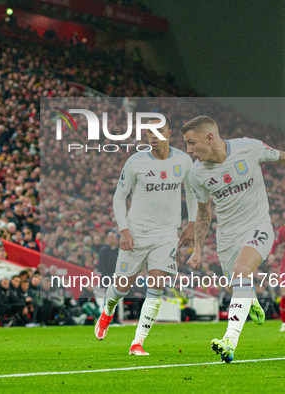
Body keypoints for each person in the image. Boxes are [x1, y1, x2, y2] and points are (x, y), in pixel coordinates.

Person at [182, 115, 285, 363]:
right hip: (226, 236)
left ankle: (229, 341)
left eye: (191, 143)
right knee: (235, 286)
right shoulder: (197, 174)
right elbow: (204, 212)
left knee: (241, 270)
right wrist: (198, 249)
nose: (189, 151)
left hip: (258, 226)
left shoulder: (249, 147)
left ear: (209, 137)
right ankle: (251, 298)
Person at [95, 116, 197, 356]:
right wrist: (124, 229)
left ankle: (137, 342)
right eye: (149, 131)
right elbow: (119, 197)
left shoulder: (183, 160)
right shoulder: (136, 162)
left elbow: (192, 191)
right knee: (121, 287)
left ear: (169, 132)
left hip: (166, 233)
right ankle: (108, 309)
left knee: (157, 284)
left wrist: (191, 223)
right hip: (137, 232)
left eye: (158, 131)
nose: (153, 135)